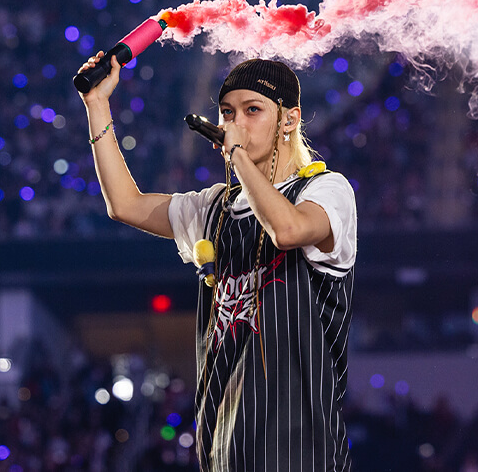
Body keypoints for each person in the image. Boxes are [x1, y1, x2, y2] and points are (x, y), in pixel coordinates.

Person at [78, 52, 357, 471]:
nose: (235, 123)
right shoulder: (214, 208)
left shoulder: (325, 190)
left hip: (300, 456)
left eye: (252, 110)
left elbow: (289, 230)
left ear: (290, 119)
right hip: (223, 455)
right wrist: (97, 104)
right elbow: (125, 205)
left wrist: (238, 156)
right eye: (227, 112)